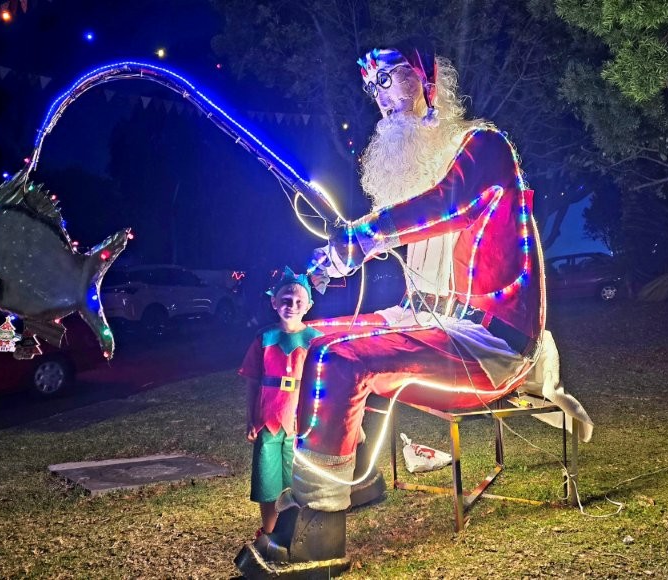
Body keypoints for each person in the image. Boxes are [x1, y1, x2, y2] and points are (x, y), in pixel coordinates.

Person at [245, 48, 592, 569]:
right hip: (425, 319)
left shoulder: (483, 145)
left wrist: (358, 239)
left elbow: (445, 206)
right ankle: (351, 480)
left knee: (339, 360)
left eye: (389, 77)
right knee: (312, 339)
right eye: (371, 86)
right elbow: (404, 223)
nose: (380, 95)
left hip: (489, 341)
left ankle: (318, 536)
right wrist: (330, 261)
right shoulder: (419, 171)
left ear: (428, 79)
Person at [239, 268, 322, 538]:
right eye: (286, 300)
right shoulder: (264, 339)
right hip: (268, 420)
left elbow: (324, 383)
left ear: (308, 305)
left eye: (299, 301)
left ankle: (295, 532)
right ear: (274, 302)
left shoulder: (314, 341)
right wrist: (250, 419)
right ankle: (270, 532)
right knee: (268, 478)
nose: (292, 306)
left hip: (300, 423)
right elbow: (252, 381)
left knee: (298, 478)